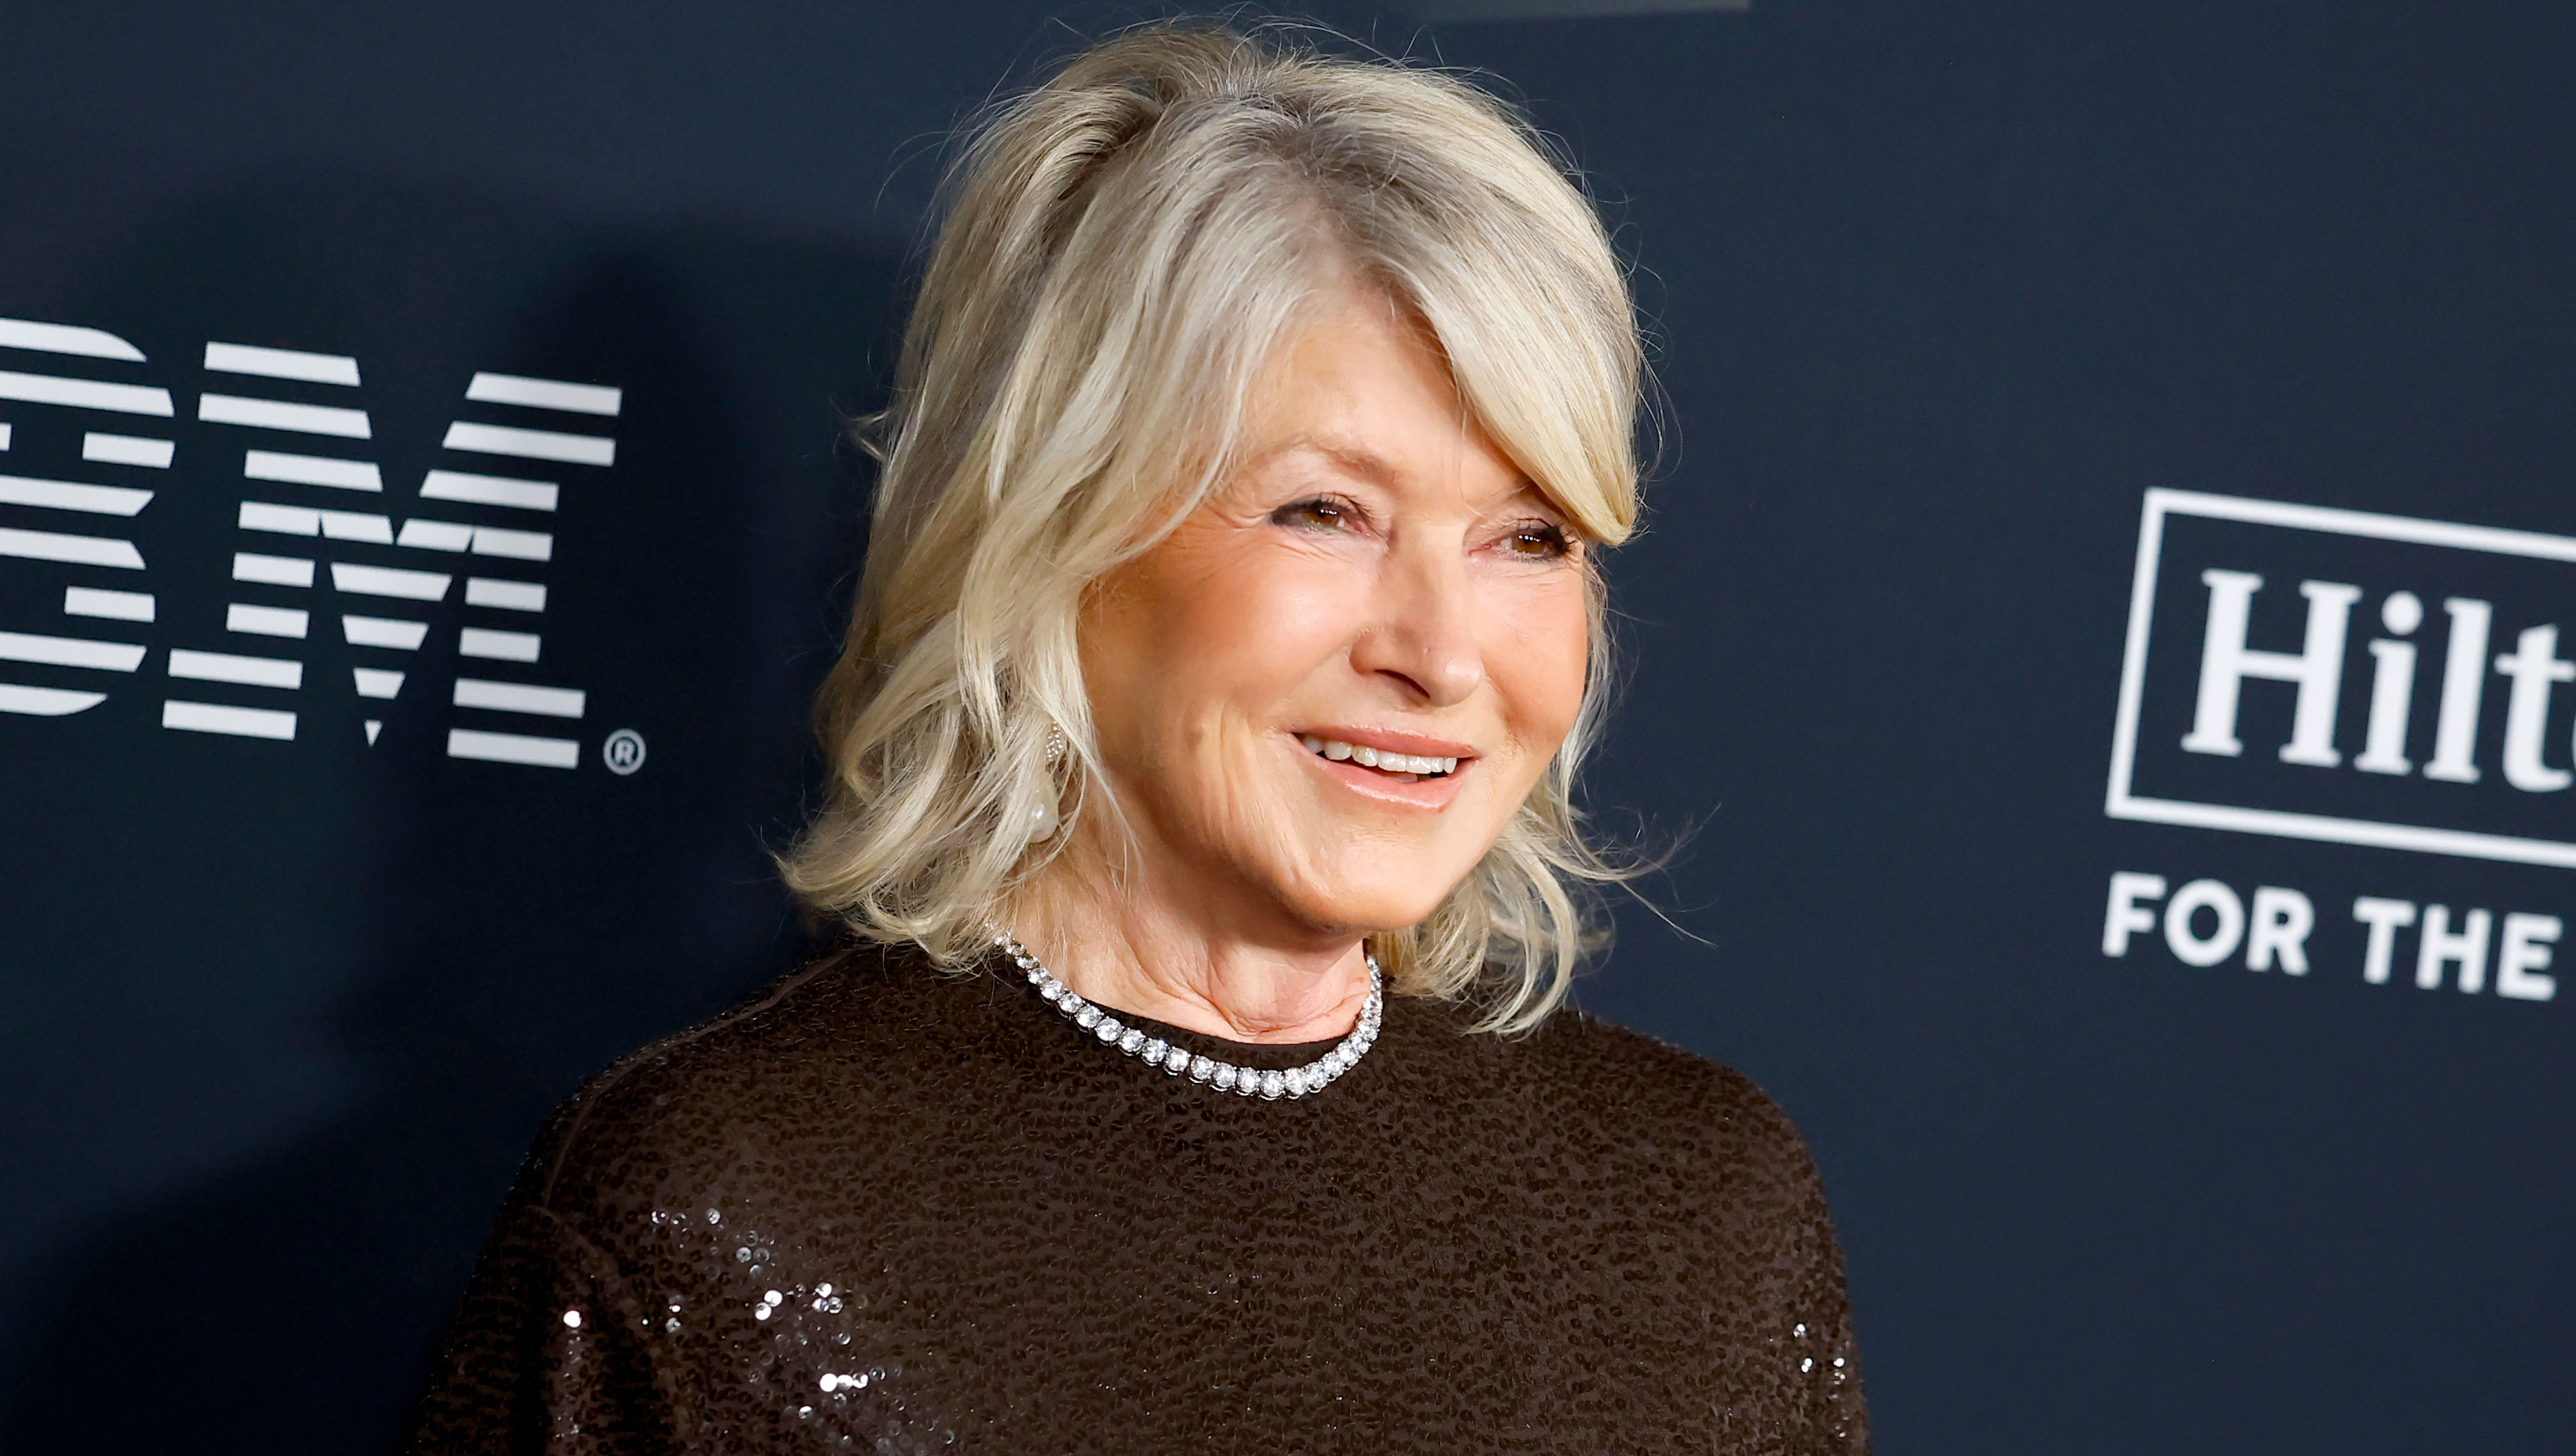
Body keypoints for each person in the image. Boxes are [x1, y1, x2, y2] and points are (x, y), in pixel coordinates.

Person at [405, 22, 1867, 1454]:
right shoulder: (716, 1209)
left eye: (1529, 534)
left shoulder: (1706, 1202)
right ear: (1059, 534)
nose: (1439, 651)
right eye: (1324, 511)